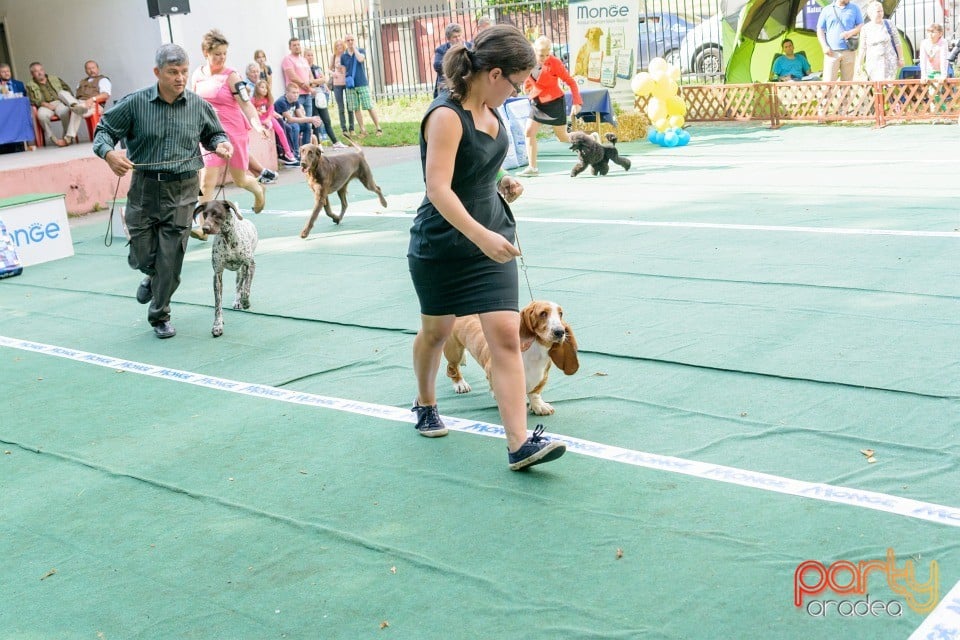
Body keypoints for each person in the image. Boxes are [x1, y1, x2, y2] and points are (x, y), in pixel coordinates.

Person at [408, 24, 567, 471]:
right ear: (494, 73)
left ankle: (519, 443)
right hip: (443, 245)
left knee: (505, 337)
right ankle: (425, 403)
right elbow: (439, 188)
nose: (520, 91)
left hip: (493, 237)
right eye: (517, 83)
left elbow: (477, 170)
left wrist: (501, 183)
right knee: (437, 333)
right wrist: (480, 236)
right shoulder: (445, 116)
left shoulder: (494, 113)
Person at [92, 43, 232, 339]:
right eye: (172, 72)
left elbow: (214, 133)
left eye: (183, 71)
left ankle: (160, 314)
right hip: (144, 188)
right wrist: (109, 154)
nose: (180, 78)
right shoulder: (135, 103)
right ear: (157, 72)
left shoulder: (198, 105)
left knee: (171, 258)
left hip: (183, 190)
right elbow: (103, 131)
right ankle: (150, 273)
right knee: (143, 254)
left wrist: (220, 143)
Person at [191, 29, 268, 222]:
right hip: (208, 135)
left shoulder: (231, 76)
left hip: (234, 133)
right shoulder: (196, 75)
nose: (222, 57)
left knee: (240, 180)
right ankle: (202, 226)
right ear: (205, 52)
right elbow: (192, 105)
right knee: (206, 181)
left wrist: (257, 126)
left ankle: (258, 189)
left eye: (225, 53)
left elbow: (246, 104)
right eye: (217, 54)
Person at [517, 36, 582, 177]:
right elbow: (527, 77)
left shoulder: (555, 63)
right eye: (541, 54)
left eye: (548, 54)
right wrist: (527, 86)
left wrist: (577, 102)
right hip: (537, 102)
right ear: (534, 50)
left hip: (554, 102)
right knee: (529, 132)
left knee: (563, 137)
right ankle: (532, 168)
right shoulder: (526, 61)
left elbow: (571, 82)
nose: (545, 57)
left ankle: (590, 139)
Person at [25, 62, 86, 146]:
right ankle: (52, 138)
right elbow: (32, 99)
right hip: (44, 105)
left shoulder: (55, 78)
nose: (40, 73)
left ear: (44, 70)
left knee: (65, 112)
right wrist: (45, 104)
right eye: (36, 71)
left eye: (41, 70)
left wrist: (66, 100)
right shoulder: (30, 85)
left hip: (59, 102)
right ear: (32, 74)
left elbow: (66, 89)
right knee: (41, 116)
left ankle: (66, 138)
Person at [340, 34, 383, 136]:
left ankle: (378, 128)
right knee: (356, 108)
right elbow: (343, 70)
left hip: (362, 82)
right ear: (345, 42)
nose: (350, 42)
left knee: (369, 106)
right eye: (348, 40)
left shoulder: (361, 50)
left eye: (352, 40)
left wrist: (355, 49)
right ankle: (363, 130)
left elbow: (360, 59)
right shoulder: (343, 56)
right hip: (351, 86)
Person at [305, 50, 347, 148]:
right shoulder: (304, 69)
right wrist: (314, 82)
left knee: (326, 120)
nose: (310, 57)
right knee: (315, 121)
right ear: (304, 57)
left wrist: (312, 81)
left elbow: (323, 79)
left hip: (320, 97)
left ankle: (335, 142)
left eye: (311, 55)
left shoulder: (317, 68)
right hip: (311, 97)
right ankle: (318, 144)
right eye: (308, 55)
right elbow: (306, 82)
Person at [253, 79, 299, 166]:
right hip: (260, 120)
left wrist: (268, 119)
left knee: (281, 131)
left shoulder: (268, 99)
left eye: (266, 88)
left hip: (269, 118)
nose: (264, 90)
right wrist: (261, 121)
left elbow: (271, 110)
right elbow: (252, 112)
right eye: (262, 87)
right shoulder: (253, 100)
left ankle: (288, 152)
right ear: (257, 88)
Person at [854, 1, 904, 81]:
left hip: (889, 62)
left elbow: (898, 43)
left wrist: (901, 58)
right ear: (870, 13)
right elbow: (862, 48)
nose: (880, 13)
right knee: (877, 87)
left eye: (881, 11)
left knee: (888, 86)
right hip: (873, 63)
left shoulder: (889, 24)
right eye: (878, 11)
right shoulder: (865, 28)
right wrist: (859, 64)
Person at [817, 0, 864, 82]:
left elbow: (861, 25)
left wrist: (850, 33)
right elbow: (820, 29)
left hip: (849, 51)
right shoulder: (827, 10)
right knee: (828, 83)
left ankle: (846, 95)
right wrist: (824, 46)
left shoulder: (855, 8)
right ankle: (828, 95)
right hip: (831, 52)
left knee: (847, 84)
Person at [275, 82, 322, 160]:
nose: (296, 95)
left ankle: (306, 151)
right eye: (293, 93)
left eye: (297, 93)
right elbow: (290, 119)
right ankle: (295, 153)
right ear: (287, 93)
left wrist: (313, 120)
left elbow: (301, 117)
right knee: (295, 126)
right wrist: (310, 119)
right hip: (282, 125)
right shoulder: (281, 102)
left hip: (289, 123)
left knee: (306, 126)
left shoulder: (295, 101)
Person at [281, 37, 314, 147]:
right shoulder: (288, 59)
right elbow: (292, 76)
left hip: (307, 96)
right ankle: (298, 150)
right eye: (294, 45)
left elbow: (309, 76)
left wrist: (310, 85)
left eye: (298, 44)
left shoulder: (304, 60)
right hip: (296, 96)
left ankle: (308, 149)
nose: (297, 47)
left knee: (307, 123)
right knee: (297, 124)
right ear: (290, 47)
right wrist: (306, 86)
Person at [330, 39, 355, 134]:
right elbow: (329, 69)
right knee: (341, 107)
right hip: (337, 84)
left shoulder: (346, 55)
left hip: (347, 83)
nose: (339, 46)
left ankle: (352, 128)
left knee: (350, 106)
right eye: (337, 45)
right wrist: (333, 74)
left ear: (343, 45)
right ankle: (344, 129)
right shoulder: (334, 56)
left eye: (341, 44)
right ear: (335, 47)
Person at [433, 23, 465, 98]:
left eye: (459, 35)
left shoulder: (469, 46)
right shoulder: (441, 50)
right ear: (449, 39)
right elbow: (437, 65)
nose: (458, 38)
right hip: (447, 87)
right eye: (454, 37)